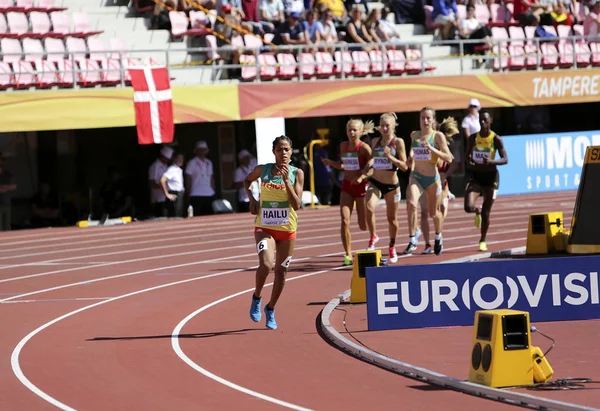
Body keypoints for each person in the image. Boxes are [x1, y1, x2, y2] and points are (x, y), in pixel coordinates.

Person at [245, 136, 304, 330]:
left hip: (287, 230)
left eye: (287, 149)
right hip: (265, 227)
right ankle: (257, 297)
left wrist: (287, 181)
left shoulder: (297, 173)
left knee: (281, 272)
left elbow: (297, 205)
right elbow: (247, 180)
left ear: (291, 151)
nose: (284, 153)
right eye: (280, 149)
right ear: (274, 152)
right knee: (266, 264)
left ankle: (270, 309)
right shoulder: (263, 170)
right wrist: (252, 199)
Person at [403, 107, 456, 256]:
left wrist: (433, 150)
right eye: (422, 118)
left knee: (435, 214)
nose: (425, 121)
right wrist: (410, 159)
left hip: (432, 180)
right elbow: (412, 154)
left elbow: (449, 158)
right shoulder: (414, 135)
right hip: (417, 177)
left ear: (433, 120)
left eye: (428, 118)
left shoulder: (437, 136)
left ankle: (438, 236)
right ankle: (413, 238)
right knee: (412, 203)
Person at [322, 118, 374, 266]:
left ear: (361, 131)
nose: (352, 132)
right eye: (349, 130)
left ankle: (371, 230)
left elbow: (373, 167)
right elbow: (343, 165)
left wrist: (362, 176)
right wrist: (331, 163)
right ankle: (348, 254)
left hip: (361, 188)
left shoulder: (364, 148)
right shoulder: (343, 146)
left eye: (355, 130)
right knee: (345, 221)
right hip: (347, 187)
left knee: (363, 225)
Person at [365, 112, 408, 264]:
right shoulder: (375, 141)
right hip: (375, 181)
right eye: (382, 125)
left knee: (392, 219)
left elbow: (404, 167)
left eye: (387, 126)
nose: (384, 128)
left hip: (392, 186)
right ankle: (373, 235)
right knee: (369, 207)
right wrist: (368, 165)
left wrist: (390, 157)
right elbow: (372, 159)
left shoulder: (398, 142)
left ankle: (392, 245)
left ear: (393, 126)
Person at [464, 111, 508, 252]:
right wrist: (471, 162)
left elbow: (505, 159)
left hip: (491, 178)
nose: (483, 123)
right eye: (481, 120)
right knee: (468, 206)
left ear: (490, 122)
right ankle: (477, 210)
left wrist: (491, 161)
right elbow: (467, 157)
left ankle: (482, 240)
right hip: (477, 177)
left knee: (487, 212)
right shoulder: (473, 138)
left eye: (485, 120)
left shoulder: (496, 139)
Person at [160, 152, 186, 218]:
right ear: (174, 159)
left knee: (180, 215)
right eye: (179, 158)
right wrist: (167, 194)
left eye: (182, 159)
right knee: (175, 216)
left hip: (180, 193)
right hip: (174, 193)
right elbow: (162, 180)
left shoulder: (179, 169)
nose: (181, 160)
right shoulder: (172, 169)